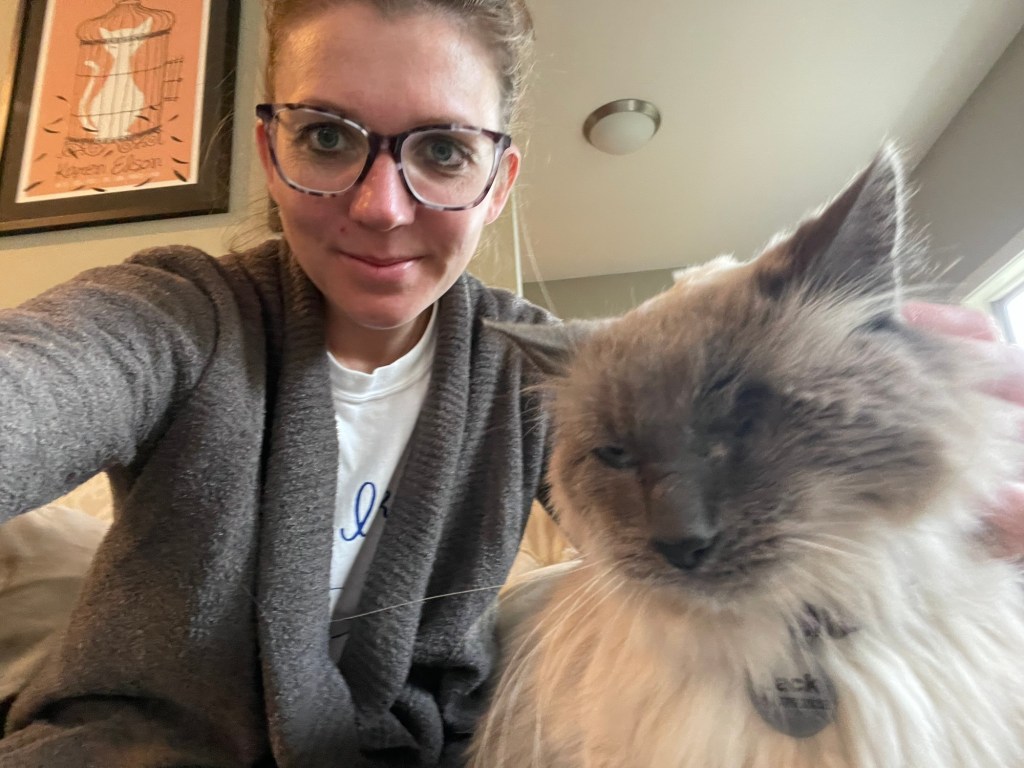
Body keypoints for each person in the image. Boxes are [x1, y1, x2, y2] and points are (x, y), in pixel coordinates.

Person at [0, 1, 1020, 766]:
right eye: (328, 137)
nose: (382, 205)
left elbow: (657, 492)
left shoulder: (529, 360)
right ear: (271, 151)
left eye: (443, 150)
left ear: (498, 181)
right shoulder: (173, 314)